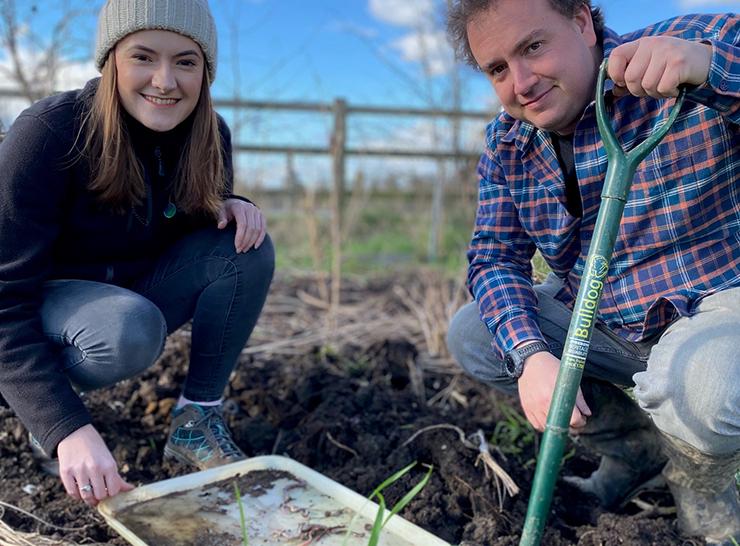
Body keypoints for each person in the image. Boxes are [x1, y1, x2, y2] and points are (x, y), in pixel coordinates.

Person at [445, 0, 739, 543]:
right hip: (606, 315)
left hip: (717, 303)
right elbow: (493, 257)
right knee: (476, 333)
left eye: (533, 47)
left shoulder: (691, 43)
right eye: (498, 69)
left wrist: (708, 69)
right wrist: (532, 356)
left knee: (706, 391)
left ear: (581, 23)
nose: (522, 82)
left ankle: (705, 480)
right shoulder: (509, 143)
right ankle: (632, 451)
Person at [0, 0, 275, 507]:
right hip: (46, 308)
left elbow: (198, 236)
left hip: (127, 298)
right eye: (144, 57)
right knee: (127, 329)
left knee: (245, 247)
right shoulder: (48, 133)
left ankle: (197, 419)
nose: (165, 81)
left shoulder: (209, 137)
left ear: (205, 72)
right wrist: (67, 428)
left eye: (186, 61)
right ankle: (37, 407)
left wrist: (232, 205)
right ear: (111, 62)